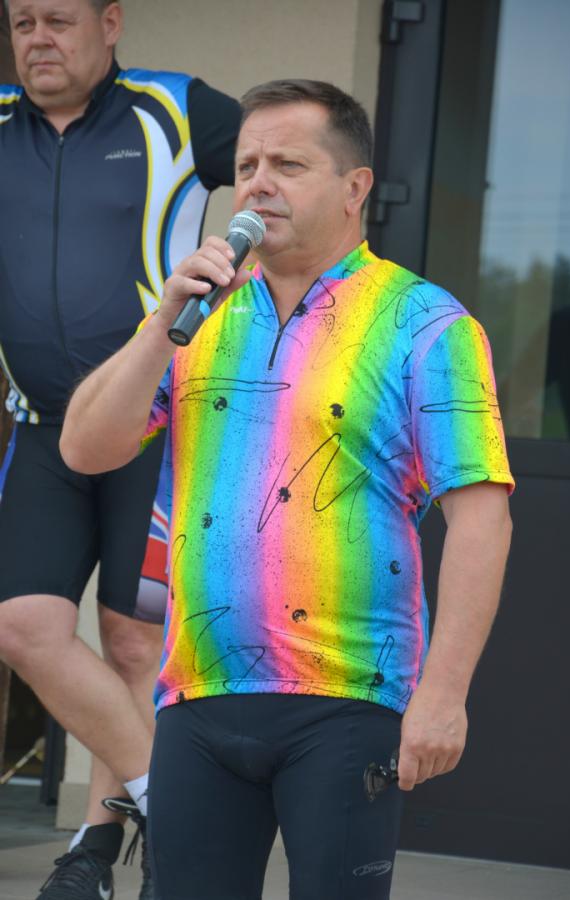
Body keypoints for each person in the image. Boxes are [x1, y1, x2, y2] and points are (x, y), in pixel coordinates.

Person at [60, 79, 514, 900]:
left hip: (347, 701)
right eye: (247, 166)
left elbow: (482, 519)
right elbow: (85, 448)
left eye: (288, 165)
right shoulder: (200, 314)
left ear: (354, 187)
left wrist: (444, 695)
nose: (258, 183)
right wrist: (161, 323)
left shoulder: (426, 324)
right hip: (197, 697)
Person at [0, 1, 240, 898]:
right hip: (41, 428)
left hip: (157, 429)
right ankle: (178, 822)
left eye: (57, 19)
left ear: (110, 23)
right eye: (21, 22)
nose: (37, 39)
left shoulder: (177, 110)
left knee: (135, 646)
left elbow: (291, 174)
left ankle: (96, 853)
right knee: (22, 627)